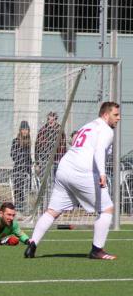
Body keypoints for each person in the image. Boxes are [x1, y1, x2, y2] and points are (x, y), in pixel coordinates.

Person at [24, 101, 121, 260]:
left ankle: (32, 244)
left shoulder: (88, 126)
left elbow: (77, 142)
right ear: (105, 115)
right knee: (107, 209)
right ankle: (97, 250)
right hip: (82, 173)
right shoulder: (106, 130)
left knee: (52, 211)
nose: (118, 118)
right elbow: (98, 152)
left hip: (64, 169)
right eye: (115, 115)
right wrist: (102, 174)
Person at [34, 112, 67, 179]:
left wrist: (62, 161)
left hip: (57, 160)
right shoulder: (42, 131)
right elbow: (37, 147)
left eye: (53, 119)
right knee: (45, 181)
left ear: (56, 120)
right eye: (49, 119)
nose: (51, 121)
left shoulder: (60, 131)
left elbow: (63, 147)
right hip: (44, 160)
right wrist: (37, 163)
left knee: (56, 180)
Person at [10, 120, 32, 213]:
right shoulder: (15, 141)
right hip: (18, 168)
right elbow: (12, 154)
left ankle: (24, 207)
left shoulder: (28, 142)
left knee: (26, 189)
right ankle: (18, 207)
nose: (25, 131)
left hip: (27, 168)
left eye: (26, 129)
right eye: (23, 129)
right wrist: (20, 160)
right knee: (18, 188)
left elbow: (28, 155)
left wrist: (30, 164)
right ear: (20, 130)